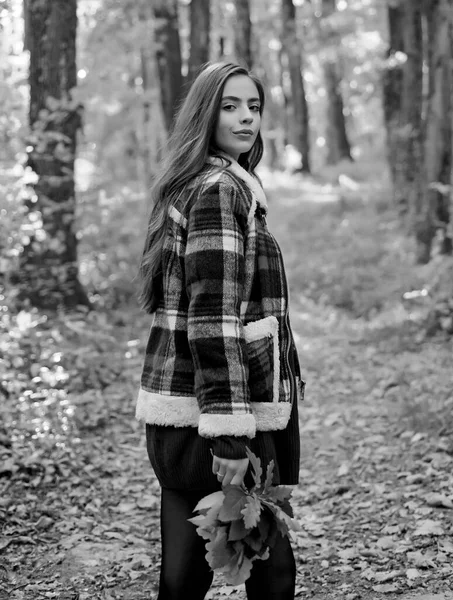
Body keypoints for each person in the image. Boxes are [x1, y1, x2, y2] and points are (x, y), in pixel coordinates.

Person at [136, 61, 304, 600]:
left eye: (253, 106)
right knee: (271, 573)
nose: (246, 118)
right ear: (206, 113)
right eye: (230, 106)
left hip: (189, 406)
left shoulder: (210, 184)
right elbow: (212, 318)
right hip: (221, 413)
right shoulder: (218, 191)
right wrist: (230, 434)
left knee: (183, 579)